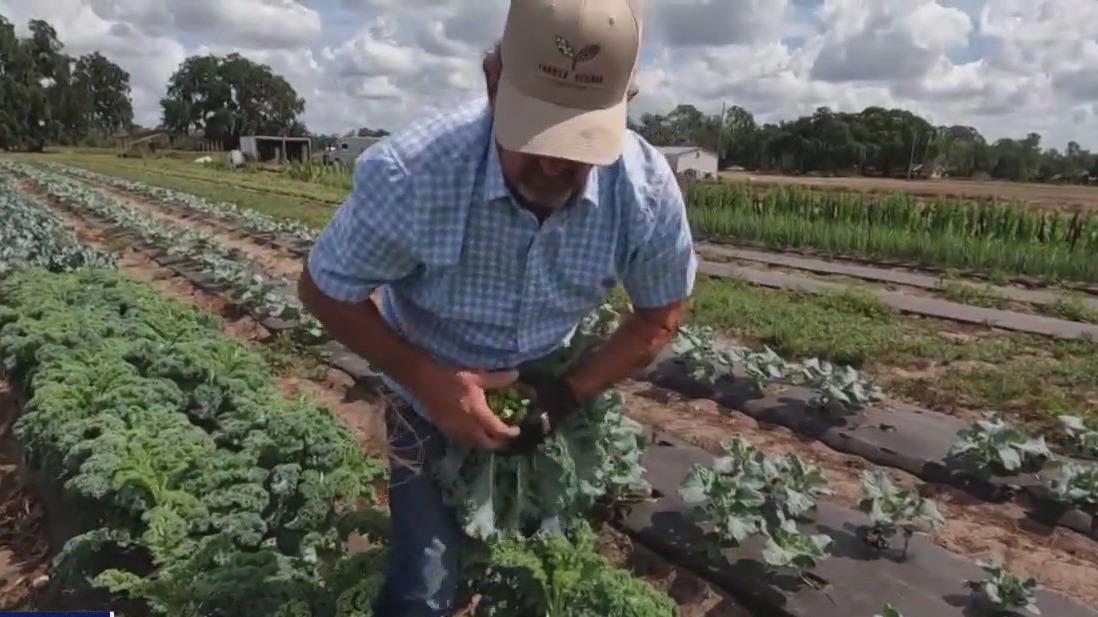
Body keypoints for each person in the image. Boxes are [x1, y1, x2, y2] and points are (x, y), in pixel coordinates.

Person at [298, 0, 697, 614]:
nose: (554, 163)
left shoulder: (643, 192)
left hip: (544, 390)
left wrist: (566, 395)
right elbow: (322, 289)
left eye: (579, 140)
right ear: (492, 81)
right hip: (424, 392)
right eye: (535, 132)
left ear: (624, 106)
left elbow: (659, 315)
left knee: (537, 574)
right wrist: (431, 384)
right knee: (424, 586)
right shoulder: (414, 175)